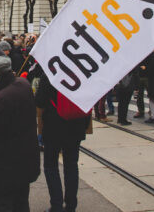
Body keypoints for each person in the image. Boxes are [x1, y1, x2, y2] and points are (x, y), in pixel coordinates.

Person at [0, 56, 40, 212]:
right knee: (22, 202)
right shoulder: (23, 85)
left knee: (4, 203)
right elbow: (8, 96)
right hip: (26, 159)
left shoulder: (3, 98)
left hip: (7, 163)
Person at [36, 74, 89, 212]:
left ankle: (56, 205)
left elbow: (40, 101)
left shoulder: (51, 72)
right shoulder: (81, 71)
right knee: (71, 165)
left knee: (50, 165)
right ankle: (71, 205)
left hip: (54, 125)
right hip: (76, 125)